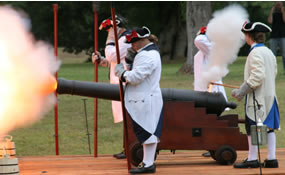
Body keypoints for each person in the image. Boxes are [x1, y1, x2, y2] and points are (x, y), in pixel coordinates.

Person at [114, 26, 163, 174]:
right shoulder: (146, 53)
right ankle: (148, 163)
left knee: (148, 132)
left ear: (143, 40)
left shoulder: (146, 55)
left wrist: (122, 73)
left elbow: (136, 78)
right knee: (148, 132)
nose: (132, 45)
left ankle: (148, 164)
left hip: (145, 98)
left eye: (135, 41)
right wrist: (129, 63)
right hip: (146, 98)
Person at [232, 22, 280, 168]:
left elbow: (257, 76)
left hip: (257, 98)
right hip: (270, 97)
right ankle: (271, 159)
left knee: (252, 126)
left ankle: (252, 159)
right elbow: (274, 72)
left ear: (249, 36)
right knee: (269, 127)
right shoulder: (269, 52)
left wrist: (241, 91)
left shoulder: (255, 53)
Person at [92, 15, 131, 159]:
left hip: (126, 83)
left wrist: (109, 42)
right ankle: (127, 147)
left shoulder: (125, 39)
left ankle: (129, 147)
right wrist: (101, 61)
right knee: (126, 119)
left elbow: (113, 56)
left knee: (128, 118)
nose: (108, 33)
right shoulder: (120, 40)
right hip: (119, 82)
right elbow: (113, 62)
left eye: (109, 30)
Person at [194, 26, 229, 157]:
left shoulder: (211, 48)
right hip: (204, 88)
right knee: (209, 120)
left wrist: (206, 33)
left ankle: (216, 145)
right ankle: (212, 146)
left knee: (213, 120)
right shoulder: (208, 48)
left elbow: (199, 39)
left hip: (212, 89)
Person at [268, 1, 285, 74]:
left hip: (283, 36)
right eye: (277, 4)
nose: (278, 5)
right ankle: (272, 70)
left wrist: (283, 11)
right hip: (273, 36)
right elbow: (270, 21)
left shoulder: (283, 12)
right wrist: (271, 11)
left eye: (280, 4)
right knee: (272, 55)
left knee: (284, 54)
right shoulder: (273, 13)